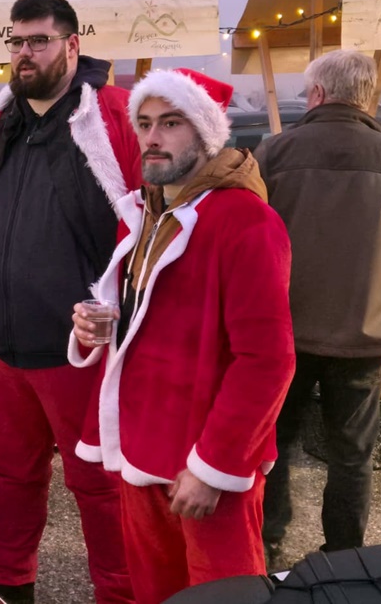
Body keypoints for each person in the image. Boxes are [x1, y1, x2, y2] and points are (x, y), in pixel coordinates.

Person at [0, 0, 141, 604]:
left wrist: (123, 309)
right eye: (17, 42)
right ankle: (9, 589)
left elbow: (153, 216)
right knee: (7, 480)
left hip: (81, 348)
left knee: (100, 486)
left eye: (39, 41)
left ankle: (122, 593)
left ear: (72, 45)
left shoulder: (117, 116)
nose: (25, 53)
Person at [70, 68, 295, 604]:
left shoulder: (248, 221)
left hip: (203, 461)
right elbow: (145, 320)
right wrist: (93, 330)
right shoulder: (144, 214)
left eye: (171, 123)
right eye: (145, 123)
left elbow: (267, 360)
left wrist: (214, 468)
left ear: (206, 132)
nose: (152, 137)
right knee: (156, 595)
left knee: (226, 597)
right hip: (141, 450)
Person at [254, 50, 381, 560]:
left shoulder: (274, 153)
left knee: (273, 444)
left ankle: (267, 544)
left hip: (284, 331)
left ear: (317, 93)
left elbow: (247, 240)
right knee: (353, 453)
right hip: (364, 332)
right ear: (367, 96)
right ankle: (345, 556)